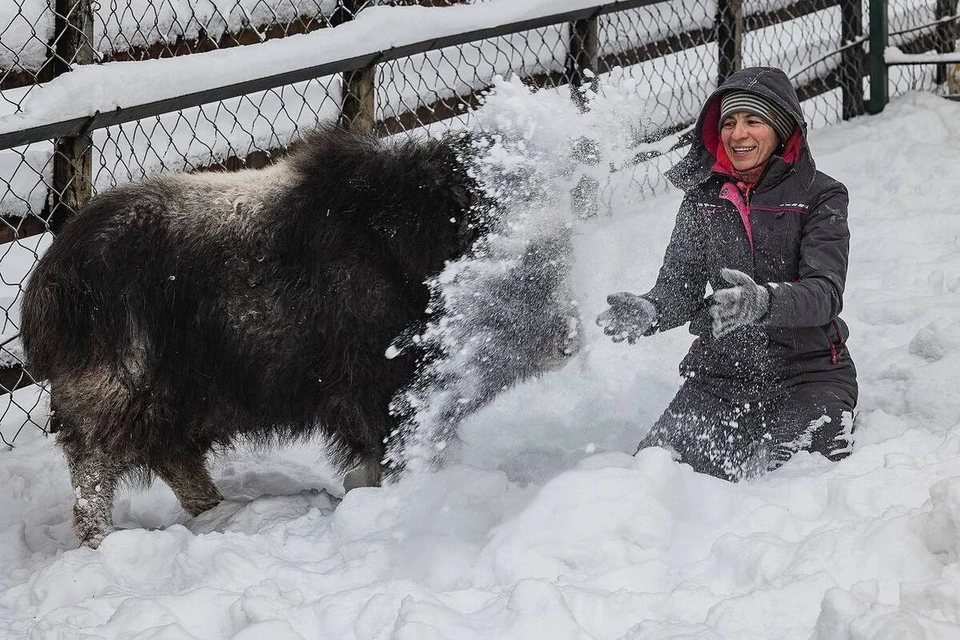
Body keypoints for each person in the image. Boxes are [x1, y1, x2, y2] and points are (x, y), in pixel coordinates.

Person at [597, 66, 857, 481]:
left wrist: (763, 302)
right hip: (721, 375)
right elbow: (679, 286)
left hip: (808, 375)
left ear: (781, 128)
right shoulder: (703, 199)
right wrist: (651, 310)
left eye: (753, 121)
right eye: (729, 123)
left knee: (790, 482)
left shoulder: (821, 196)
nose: (738, 134)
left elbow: (824, 293)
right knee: (655, 476)